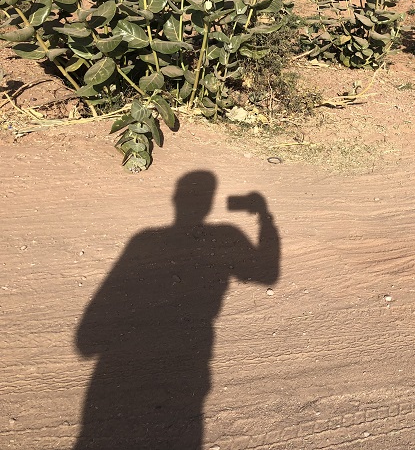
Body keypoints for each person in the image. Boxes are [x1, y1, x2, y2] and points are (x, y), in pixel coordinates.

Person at [73, 170, 280, 449]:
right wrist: (265, 218)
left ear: (174, 200)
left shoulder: (143, 239)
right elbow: (267, 274)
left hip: (118, 367)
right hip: (190, 356)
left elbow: (86, 342)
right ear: (210, 204)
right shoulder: (225, 235)